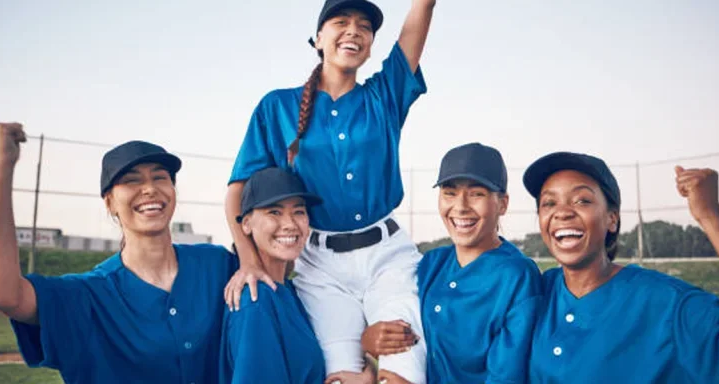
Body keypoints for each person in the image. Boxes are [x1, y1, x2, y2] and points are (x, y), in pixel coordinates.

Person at [223, 1, 436, 383]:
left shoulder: (383, 97)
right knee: (340, 378)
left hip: (386, 257)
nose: (354, 31)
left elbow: (412, 34)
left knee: (402, 366)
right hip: (319, 264)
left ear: (371, 46)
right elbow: (239, 191)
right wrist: (248, 259)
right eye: (341, 22)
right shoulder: (278, 107)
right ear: (319, 38)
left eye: (365, 27)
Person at [0, 122, 237, 383]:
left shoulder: (216, 265)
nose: (149, 188)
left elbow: (273, 268)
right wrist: (3, 165)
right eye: (131, 180)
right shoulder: (89, 296)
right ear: (109, 202)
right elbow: (4, 295)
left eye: (160, 177)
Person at [523, 151, 719, 383]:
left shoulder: (667, 303)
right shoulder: (533, 293)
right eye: (549, 203)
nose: (562, 212)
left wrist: (711, 218)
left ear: (612, 219)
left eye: (582, 200)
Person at [362, 143, 543, 383]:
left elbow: (505, 377)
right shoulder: (431, 263)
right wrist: (368, 340)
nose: (461, 207)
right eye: (450, 192)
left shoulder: (518, 277)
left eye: (477, 193)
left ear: (502, 204)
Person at [219, 167, 333, 384]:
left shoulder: (289, 290)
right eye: (274, 212)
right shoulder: (255, 301)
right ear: (246, 224)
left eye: (299, 212)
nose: (290, 224)